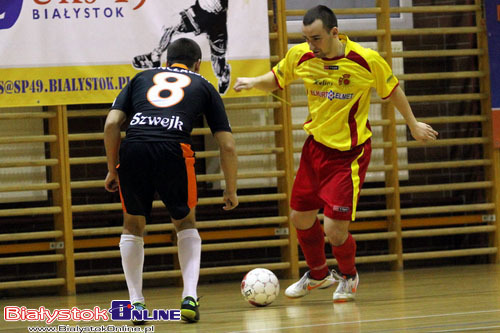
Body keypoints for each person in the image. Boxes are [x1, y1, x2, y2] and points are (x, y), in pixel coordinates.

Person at [234, 5, 438, 303]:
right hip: (315, 149)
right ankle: (318, 275)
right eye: (306, 38)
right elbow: (277, 78)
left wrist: (413, 124)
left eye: (316, 38)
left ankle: (348, 275)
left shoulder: (365, 60)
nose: (310, 45)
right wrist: (254, 82)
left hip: (349, 154)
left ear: (334, 32)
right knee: (300, 217)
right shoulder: (301, 55)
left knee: (335, 230)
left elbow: (393, 90)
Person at [105, 37, 238, 324]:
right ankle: (189, 297)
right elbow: (227, 146)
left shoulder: (141, 77)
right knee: (186, 223)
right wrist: (231, 189)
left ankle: (136, 304)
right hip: (173, 150)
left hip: (134, 147)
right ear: (198, 64)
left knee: (132, 226)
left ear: (166, 62)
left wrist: (112, 170)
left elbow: (112, 124)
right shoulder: (204, 85)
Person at [132, 0, 231, 95]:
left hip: (217, 25)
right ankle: (154, 58)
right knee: (171, 24)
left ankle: (223, 75)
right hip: (199, 13)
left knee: (219, 64)